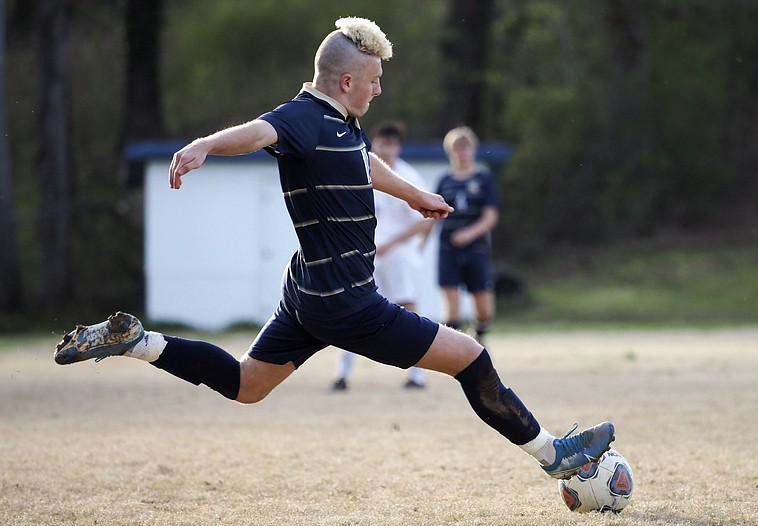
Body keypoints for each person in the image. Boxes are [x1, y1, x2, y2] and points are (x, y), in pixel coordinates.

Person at [54, 17, 614, 481]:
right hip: (347, 301)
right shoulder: (302, 117)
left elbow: (365, 166)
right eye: (373, 80)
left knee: (248, 385)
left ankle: (136, 341)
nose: (379, 90)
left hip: (310, 294)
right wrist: (202, 145)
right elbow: (258, 132)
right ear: (346, 80)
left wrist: (417, 194)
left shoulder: (341, 126)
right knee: (472, 358)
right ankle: (553, 457)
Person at [331, 121, 429, 391]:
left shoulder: (408, 176)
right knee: (352, 306)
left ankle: (417, 375)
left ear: (399, 147)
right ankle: (342, 374)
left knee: (407, 308)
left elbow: (424, 221)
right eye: (382, 143)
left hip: (398, 255)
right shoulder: (361, 172)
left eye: (392, 144)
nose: (386, 149)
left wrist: (398, 245)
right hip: (367, 253)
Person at [433, 126, 498, 346]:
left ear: (473, 151)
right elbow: (432, 213)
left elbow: (490, 217)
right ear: (450, 152)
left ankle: (479, 333)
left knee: (484, 307)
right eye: (457, 149)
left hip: (475, 247)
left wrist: (468, 234)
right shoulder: (444, 181)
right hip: (448, 246)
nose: (462, 153)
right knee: (451, 301)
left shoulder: (483, 179)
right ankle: (456, 347)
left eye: (465, 148)